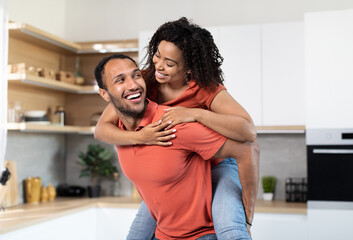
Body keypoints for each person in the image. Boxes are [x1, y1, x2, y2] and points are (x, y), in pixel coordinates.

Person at [94, 17, 259, 239]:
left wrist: (195, 113)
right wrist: (142, 137)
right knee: (137, 234)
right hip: (181, 172)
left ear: (189, 68)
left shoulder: (204, 88)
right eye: (157, 55)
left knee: (231, 228)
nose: (158, 66)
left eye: (169, 63)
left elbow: (248, 132)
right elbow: (102, 129)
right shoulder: (145, 79)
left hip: (217, 164)